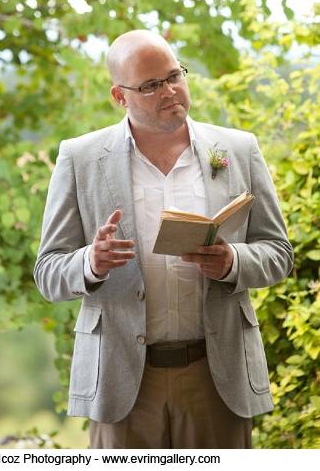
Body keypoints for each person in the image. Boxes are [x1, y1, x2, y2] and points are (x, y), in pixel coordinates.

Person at [34, 30, 294, 449]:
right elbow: (48, 272)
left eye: (175, 76)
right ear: (120, 96)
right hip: (121, 380)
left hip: (215, 371)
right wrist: (91, 263)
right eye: (151, 85)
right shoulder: (79, 158)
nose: (170, 91)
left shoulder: (238, 149)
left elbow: (279, 254)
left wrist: (231, 262)